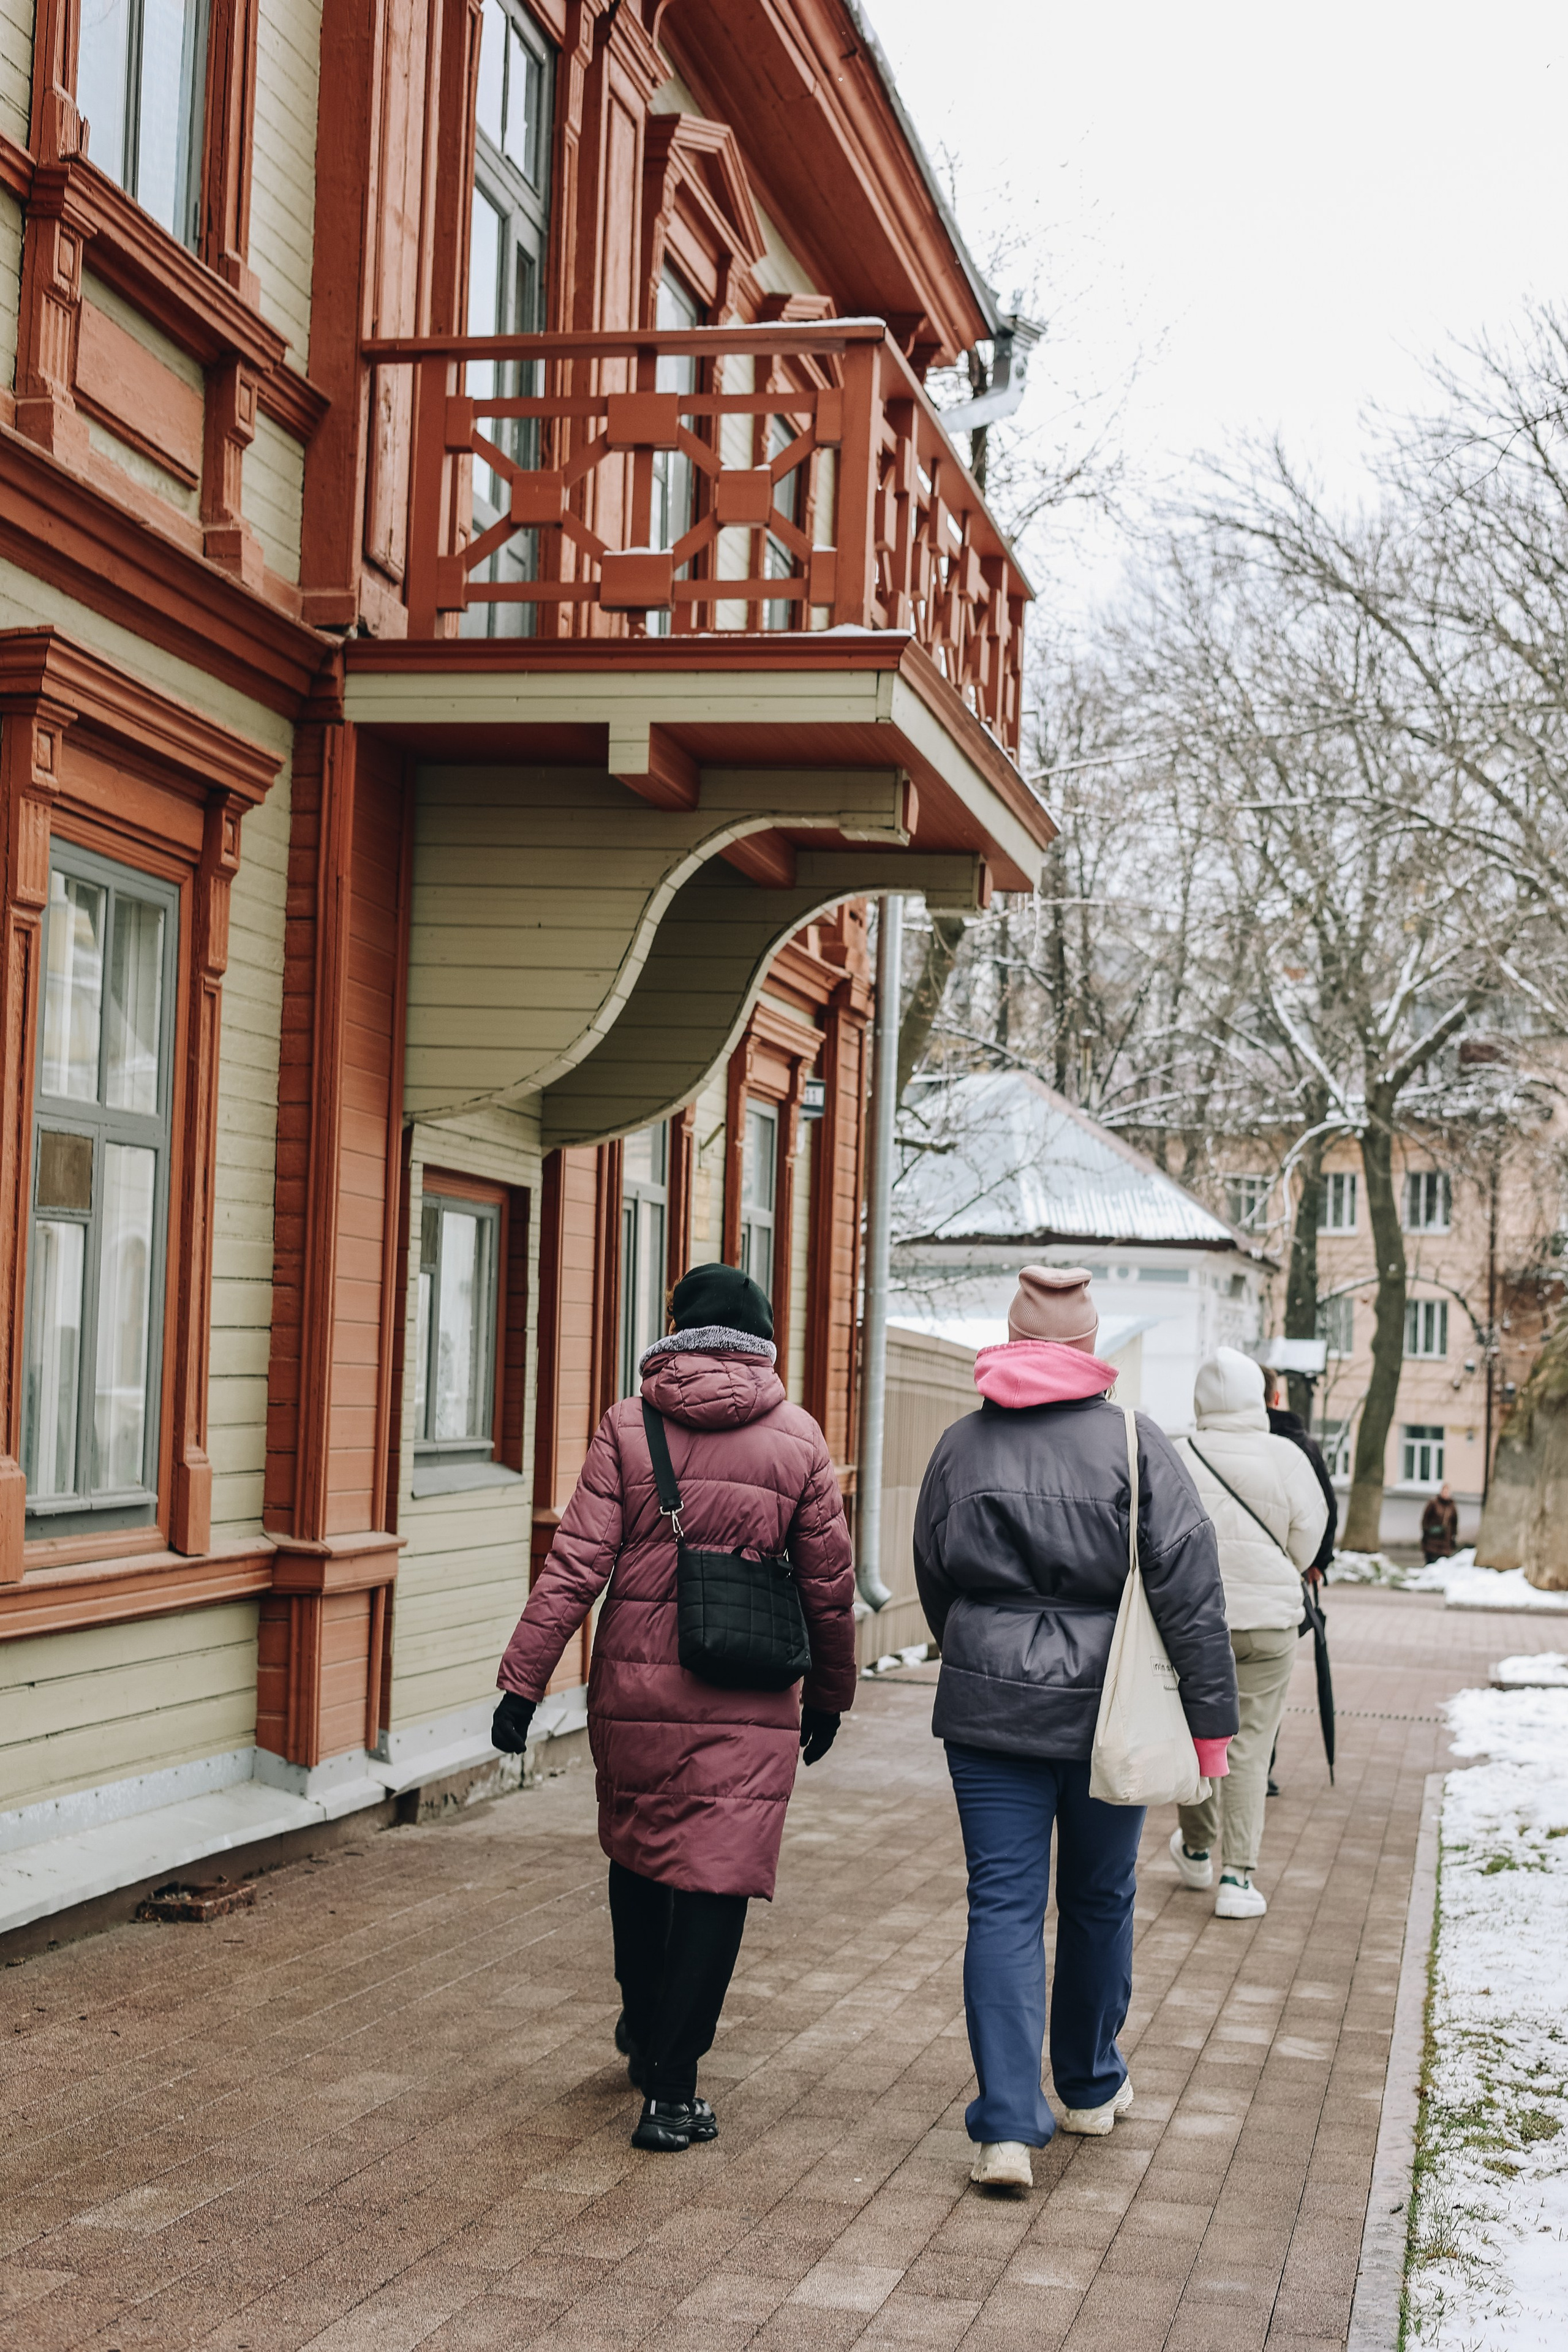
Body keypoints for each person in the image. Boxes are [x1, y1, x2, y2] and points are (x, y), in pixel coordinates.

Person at [491, 1262, 856, 2154]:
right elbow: (830, 1590)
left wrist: (522, 1684)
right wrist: (832, 1697)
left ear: (676, 1332)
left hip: (639, 1685)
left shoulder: (630, 1423)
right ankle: (674, 2089)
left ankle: (642, 2028)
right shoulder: (800, 1440)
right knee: (715, 1874)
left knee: (642, 1854)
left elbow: (575, 1562)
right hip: (753, 1692)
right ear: (762, 1340)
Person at [914, 1266, 1237, 2196]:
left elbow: (934, 1573)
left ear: (1013, 1341)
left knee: (1004, 1905)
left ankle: (1007, 2130)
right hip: (1115, 1709)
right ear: (1091, 1349)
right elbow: (1190, 1592)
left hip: (988, 1714)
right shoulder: (1138, 1447)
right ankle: (1090, 2086)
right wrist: (1211, 1729)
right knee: (1099, 1900)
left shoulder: (962, 1446)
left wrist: (978, 1649)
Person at [1172, 1350, 1329, 1921]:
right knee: (1251, 1747)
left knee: (1200, 1737)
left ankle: (1194, 1850)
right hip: (1267, 1621)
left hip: (1194, 1624)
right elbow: (1309, 1539)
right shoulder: (1286, 1456)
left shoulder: (1176, 1454)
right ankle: (1238, 1879)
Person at [1259, 1364, 1338, 1575]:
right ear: (1276, 1398)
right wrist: (1317, 1562)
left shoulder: (1225, 1443)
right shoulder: (1304, 1445)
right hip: (1291, 1564)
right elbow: (1325, 1505)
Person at [1422, 1480, 1460, 1562]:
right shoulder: (1433, 1503)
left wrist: (1454, 1536)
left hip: (1446, 1540)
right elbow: (1425, 1519)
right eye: (1444, 1491)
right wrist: (1427, 1531)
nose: (1446, 1494)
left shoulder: (1452, 1506)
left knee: (1443, 1564)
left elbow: (1454, 1522)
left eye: (1447, 1492)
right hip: (1432, 1540)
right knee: (1431, 1562)